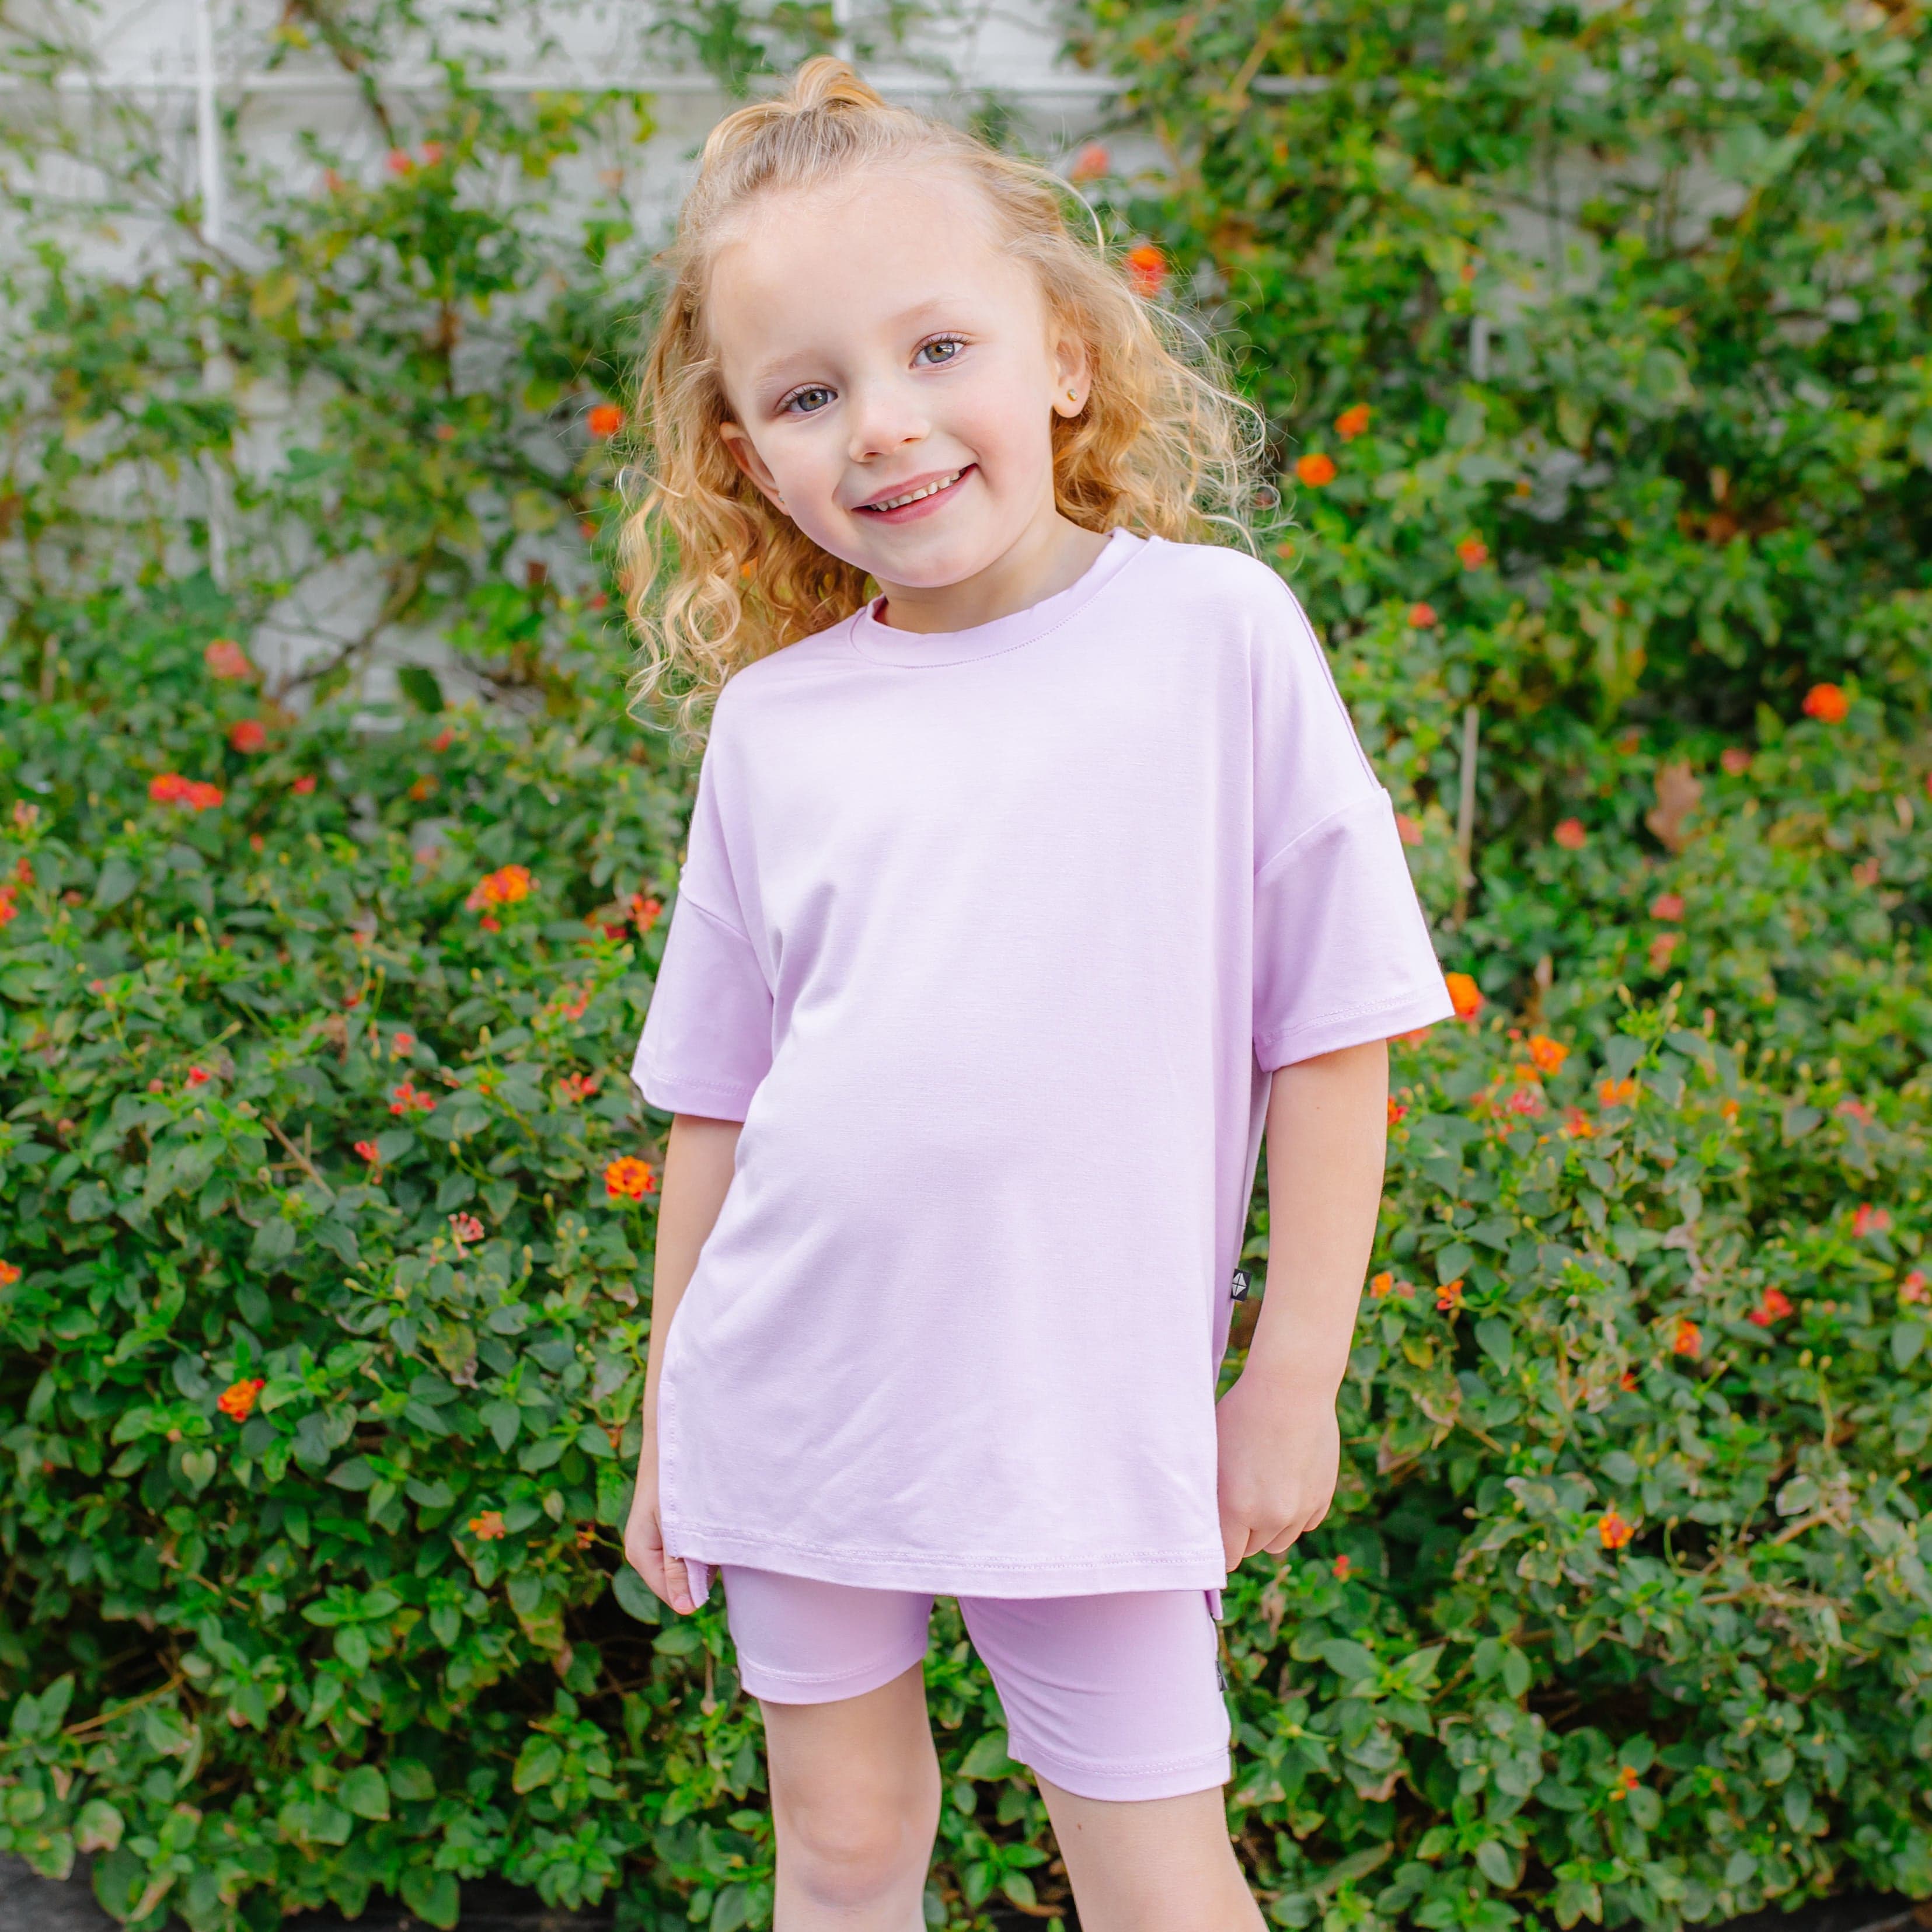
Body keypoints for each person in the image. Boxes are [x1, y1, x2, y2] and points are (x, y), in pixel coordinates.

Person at [616, 55, 1452, 1932]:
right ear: (746, 456)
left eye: (936, 352)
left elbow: (1335, 1034)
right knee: (838, 1855)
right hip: (800, 1403)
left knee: (1159, 1883)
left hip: (1086, 1414)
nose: (886, 429)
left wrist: (1290, 1375)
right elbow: (721, 1102)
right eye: (810, 395)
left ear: (1064, 349)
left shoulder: (1216, 638)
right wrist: (671, 1418)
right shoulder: (775, 727)